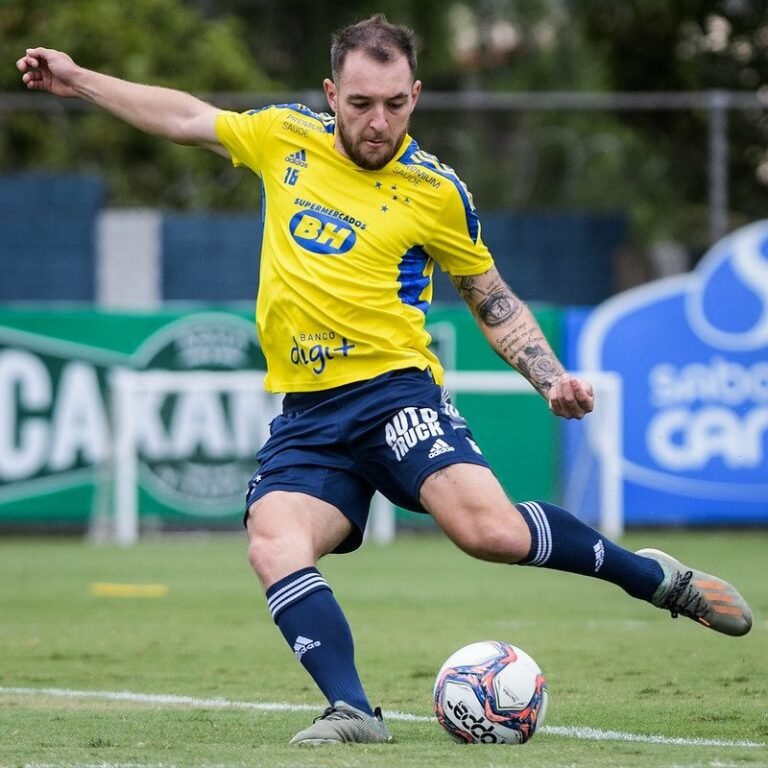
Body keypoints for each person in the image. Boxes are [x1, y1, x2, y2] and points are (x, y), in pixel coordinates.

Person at [18, 14, 752, 747]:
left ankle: (650, 577)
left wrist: (550, 376)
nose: (379, 123)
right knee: (273, 542)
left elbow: (489, 297)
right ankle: (354, 712)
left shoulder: (436, 191)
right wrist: (79, 80)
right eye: (363, 104)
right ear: (331, 93)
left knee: (488, 533)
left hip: (396, 394)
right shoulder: (283, 138)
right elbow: (185, 115)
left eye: (396, 104)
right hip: (308, 415)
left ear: (417, 96)